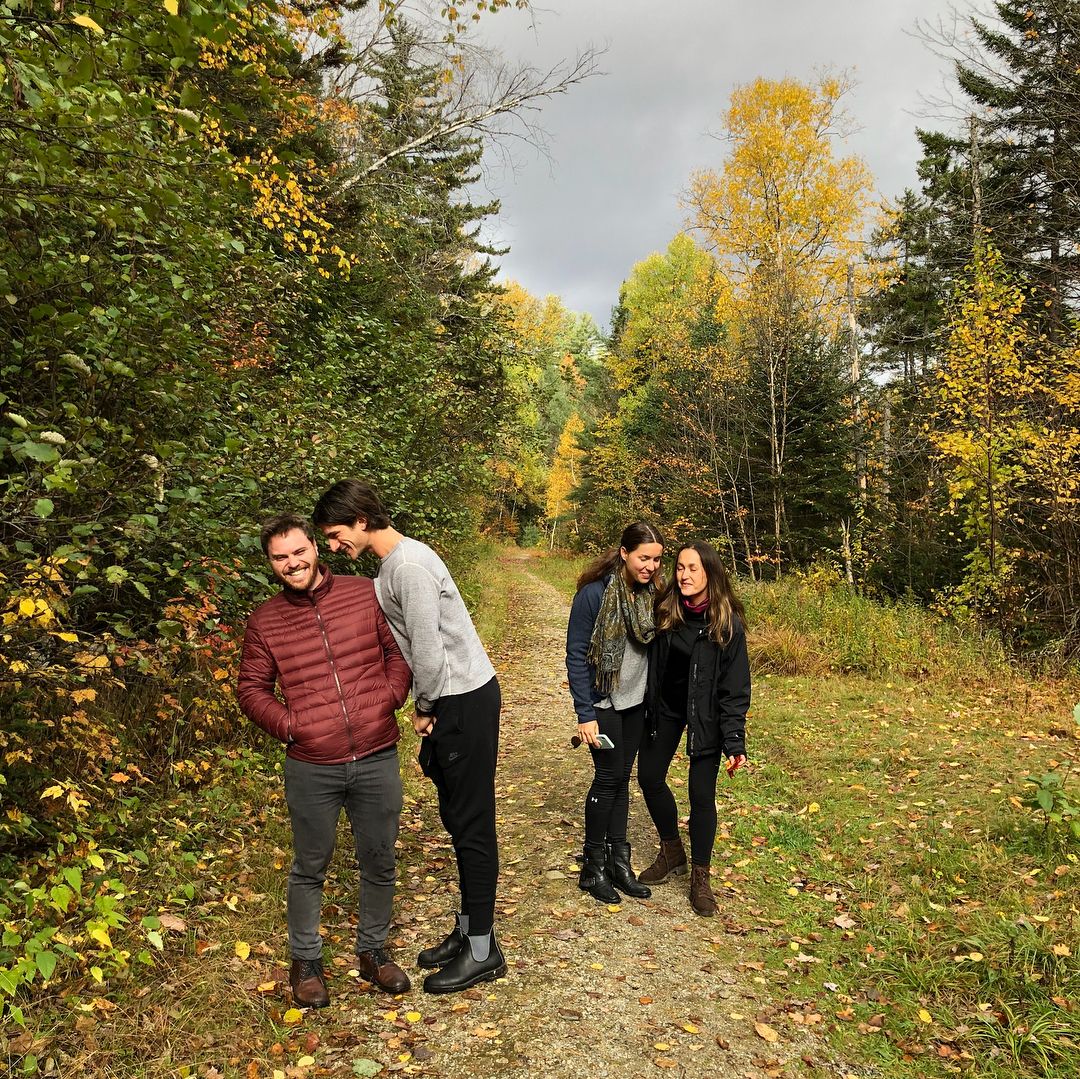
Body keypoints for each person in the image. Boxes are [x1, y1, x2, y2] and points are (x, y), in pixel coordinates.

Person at [312, 479, 505, 995]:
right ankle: (468, 930)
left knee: (472, 823)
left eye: (334, 535)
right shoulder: (393, 565)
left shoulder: (410, 566)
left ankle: (484, 949)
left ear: (360, 519)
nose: (333, 547)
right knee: (457, 817)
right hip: (454, 698)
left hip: (461, 699)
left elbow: (427, 647)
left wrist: (424, 708)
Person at [237, 513, 414, 1006]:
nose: (292, 563)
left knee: (379, 859)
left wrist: (389, 698)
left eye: (298, 551)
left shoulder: (364, 592)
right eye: (280, 557)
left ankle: (373, 952)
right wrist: (293, 727)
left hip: (376, 752)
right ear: (271, 563)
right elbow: (251, 690)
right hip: (312, 764)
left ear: (314, 548)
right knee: (310, 866)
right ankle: (306, 962)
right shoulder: (266, 620)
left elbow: (396, 654)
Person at [637, 541, 750, 917]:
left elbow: (735, 688)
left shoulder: (727, 622)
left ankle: (701, 876)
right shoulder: (666, 609)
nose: (683, 575)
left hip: (707, 715)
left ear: (710, 574)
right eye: (680, 567)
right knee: (650, 777)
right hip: (667, 709)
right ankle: (672, 851)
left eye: (692, 569)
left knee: (701, 795)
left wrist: (735, 740)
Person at [565, 522, 665, 903]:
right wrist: (584, 712)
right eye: (643, 558)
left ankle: (618, 861)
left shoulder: (653, 594)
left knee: (623, 778)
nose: (651, 566)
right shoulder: (594, 596)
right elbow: (576, 654)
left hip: (636, 703)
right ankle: (593, 866)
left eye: (656, 559)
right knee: (607, 778)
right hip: (603, 702)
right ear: (624, 553)